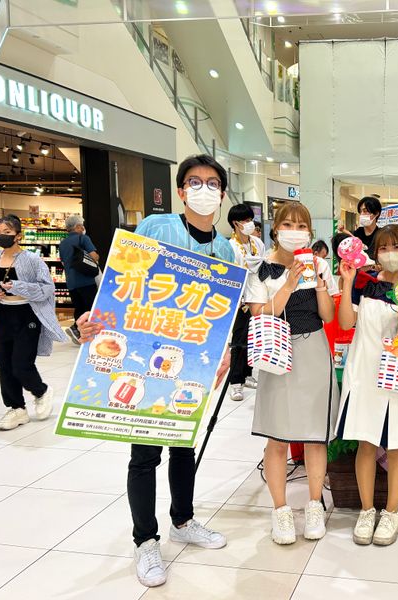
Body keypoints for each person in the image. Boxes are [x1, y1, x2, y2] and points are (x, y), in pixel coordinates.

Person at [77, 154, 234, 588]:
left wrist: (223, 352)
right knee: (145, 454)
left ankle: (183, 520)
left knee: (183, 443)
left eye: (213, 183)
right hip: (145, 358)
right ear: (181, 191)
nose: (204, 190)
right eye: (195, 182)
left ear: (222, 194)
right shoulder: (156, 228)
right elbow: (121, 282)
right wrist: (92, 319)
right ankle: (145, 540)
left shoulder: (225, 249)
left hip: (191, 364)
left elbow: (223, 311)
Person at [244, 201, 339, 545]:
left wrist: (320, 284)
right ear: (275, 229)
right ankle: (280, 510)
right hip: (276, 353)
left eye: (301, 226)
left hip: (314, 350)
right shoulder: (260, 268)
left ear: (309, 232)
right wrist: (289, 283)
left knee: (314, 434)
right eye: (288, 224)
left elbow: (328, 316)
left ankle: (314, 505)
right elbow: (258, 313)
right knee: (277, 435)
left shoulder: (320, 264)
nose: (294, 231)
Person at [336, 224, 398, 546]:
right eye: (384, 248)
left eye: (396, 247)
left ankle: (392, 512)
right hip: (362, 372)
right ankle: (366, 510)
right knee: (365, 443)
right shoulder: (365, 283)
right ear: (375, 253)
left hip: (395, 377)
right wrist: (347, 283)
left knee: (396, 445)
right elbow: (346, 323)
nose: (390, 254)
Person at [0, 214, 65, 430]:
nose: (2, 236)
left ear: (18, 235)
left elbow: (47, 288)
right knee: (4, 366)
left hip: (27, 315)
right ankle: (17, 408)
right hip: (3, 315)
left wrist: (18, 286)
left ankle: (41, 391)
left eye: (7, 232)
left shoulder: (32, 260)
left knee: (20, 364)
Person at [227, 203, 266, 401]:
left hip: (257, 296)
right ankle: (235, 382)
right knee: (239, 339)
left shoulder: (257, 243)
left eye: (251, 220)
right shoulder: (230, 246)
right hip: (240, 298)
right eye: (245, 220)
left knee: (253, 337)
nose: (250, 224)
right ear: (235, 223)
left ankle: (248, 374)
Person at [59, 214, 100, 344]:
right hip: (86, 280)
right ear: (77, 226)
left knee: (79, 308)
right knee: (91, 309)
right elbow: (94, 256)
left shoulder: (62, 243)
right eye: (81, 225)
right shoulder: (83, 238)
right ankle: (78, 330)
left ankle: (78, 331)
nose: (83, 228)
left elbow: (63, 262)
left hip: (71, 282)